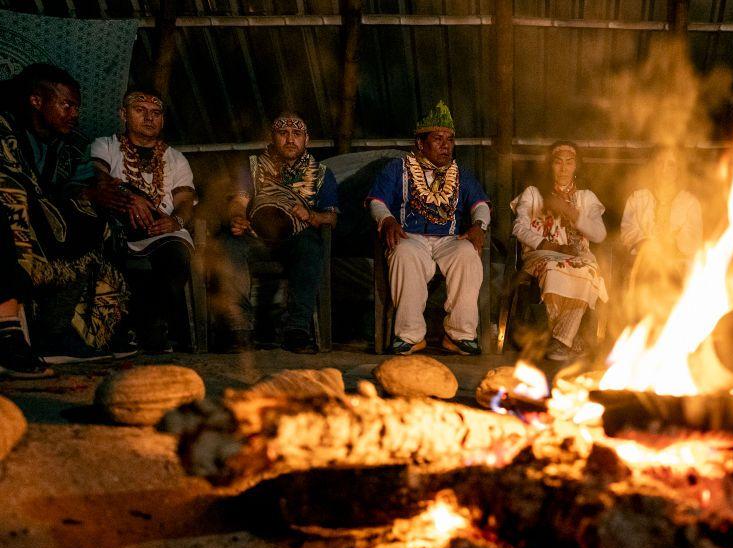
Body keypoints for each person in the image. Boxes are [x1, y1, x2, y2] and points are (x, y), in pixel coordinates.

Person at [0, 63, 129, 376]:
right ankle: (8, 333)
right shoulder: (5, 128)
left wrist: (93, 192)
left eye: (77, 107)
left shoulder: (68, 144)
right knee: (12, 202)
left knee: (97, 220)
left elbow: (83, 181)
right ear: (37, 101)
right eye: (67, 105)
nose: (74, 114)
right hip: (14, 220)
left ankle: (56, 334)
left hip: (45, 220)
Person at [366, 101, 490, 356]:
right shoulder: (397, 168)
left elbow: (481, 204)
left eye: (450, 140)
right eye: (438, 139)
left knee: (468, 254)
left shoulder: (461, 174)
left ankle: (460, 336)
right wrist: (387, 220)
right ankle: (410, 337)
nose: (446, 145)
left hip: (449, 239)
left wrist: (479, 225)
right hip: (410, 236)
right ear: (420, 144)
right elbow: (376, 201)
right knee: (405, 253)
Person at [217, 113, 338, 354]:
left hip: (296, 238)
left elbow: (331, 218)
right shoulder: (253, 165)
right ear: (272, 138)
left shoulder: (322, 173)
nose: (290, 139)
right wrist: (237, 217)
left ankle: (297, 329)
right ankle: (239, 328)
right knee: (228, 242)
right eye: (283, 133)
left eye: (297, 134)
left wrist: (312, 216)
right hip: (256, 236)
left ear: (307, 140)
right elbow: (239, 200)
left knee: (311, 245)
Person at [90, 87, 196, 354]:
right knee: (106, 250)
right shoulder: (105, 145)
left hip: (163, 231)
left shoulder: (175, 158)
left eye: (156, 113)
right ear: (123, 114)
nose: (149, 118)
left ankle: (158, 331)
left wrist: (177, 221)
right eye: (141, 110)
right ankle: (120, 332)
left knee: (175, 256)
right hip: (119, 229)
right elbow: (97, 178)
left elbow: (184, 200)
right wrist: (129, 196)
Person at [511, 141, 608, 362]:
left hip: (579, 257)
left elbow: (599, 235)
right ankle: (567, 339)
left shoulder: (586, 197)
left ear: (577, 166)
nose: (564, 168)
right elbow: (519, 227)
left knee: (587, 271)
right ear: (550, 165)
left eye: (569, 162)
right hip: (542, 254)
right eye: (558, 162)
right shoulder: (534, 193)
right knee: (554, 268)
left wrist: (572, 213)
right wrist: (550, 246)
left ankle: (559, 340)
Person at [620, 146, 703, 320]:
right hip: (644, 264)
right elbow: (628, 231)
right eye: (660, 163)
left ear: (678, 169)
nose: (664, 169)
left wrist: (674, 243)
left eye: (670, 164)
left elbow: (694, 240)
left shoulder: (690, 202)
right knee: (648, 273)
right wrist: (646, 244)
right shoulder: (637, 198)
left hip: (679, 265)